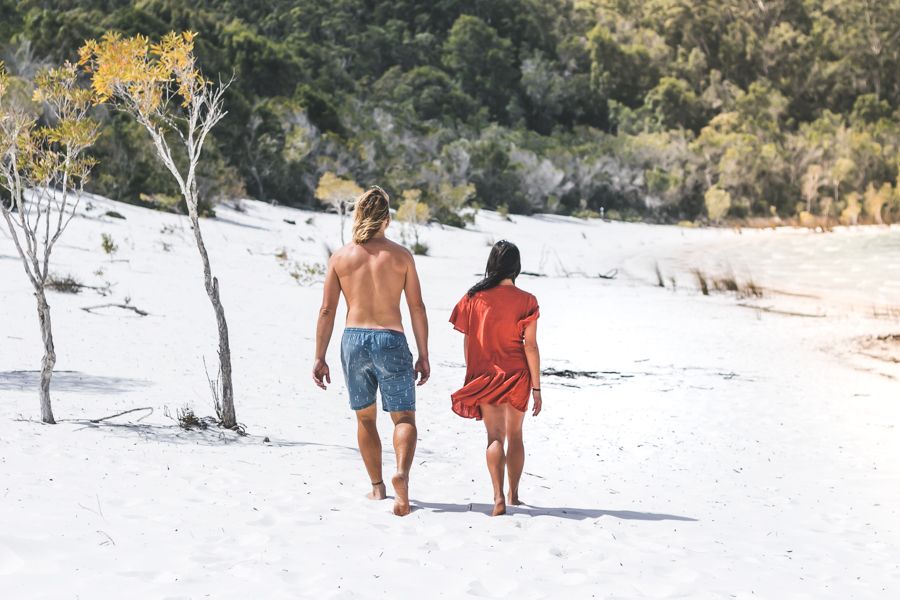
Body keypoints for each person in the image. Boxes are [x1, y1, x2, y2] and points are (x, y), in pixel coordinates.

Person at [313, 186, 430, 517]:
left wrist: (320, 356)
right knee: (403, 417)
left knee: (365, 417)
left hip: (353, 341)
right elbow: (417, 307)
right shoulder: (401, 256)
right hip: (391, 339)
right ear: (387, 220)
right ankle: (402, 474)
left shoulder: (340, 258)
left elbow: (327, 310)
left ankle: (377, 487)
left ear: (358, 216)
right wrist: (423, 353)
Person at [449, 240, 542, 517]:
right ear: (517, 267)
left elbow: (468, 342)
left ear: (491, 264)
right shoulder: (527, 300)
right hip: (518, 375)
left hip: (486, 374)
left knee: (494, 437)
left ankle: (498, 496)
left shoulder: (473, 298)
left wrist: (472, 374)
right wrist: (537, 388)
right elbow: (531, 346)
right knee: (516, 435)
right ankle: (514, 494)